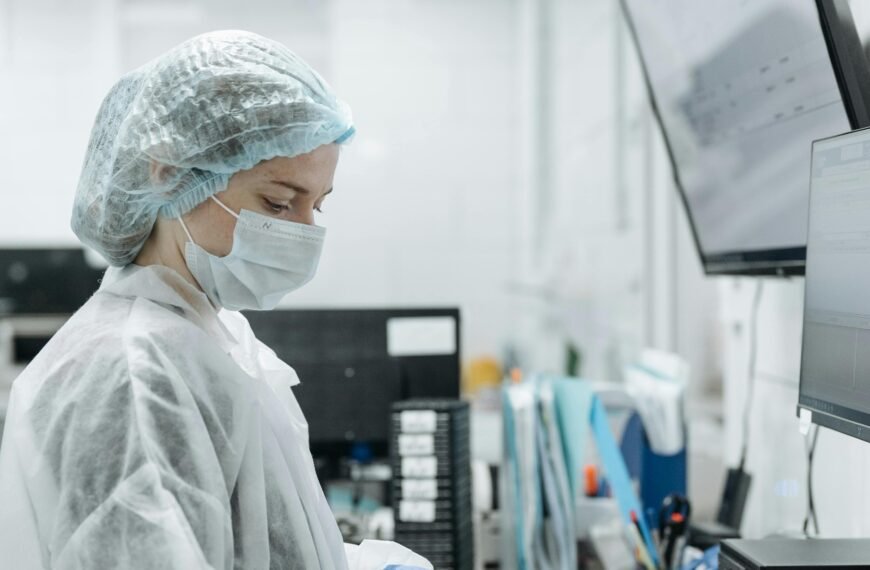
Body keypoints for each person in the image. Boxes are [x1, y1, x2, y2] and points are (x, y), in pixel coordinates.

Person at [0, 30, 430, 570]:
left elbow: (254, 541)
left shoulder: (206, 334)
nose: (304, 232)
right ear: (171, 172)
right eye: (277, 202)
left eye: (317, 206)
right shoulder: (133, 375)